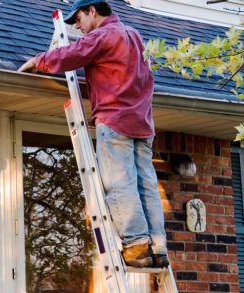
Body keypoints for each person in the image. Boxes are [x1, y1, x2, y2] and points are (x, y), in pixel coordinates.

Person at [18, 0, 169, 268]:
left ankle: (135, 246)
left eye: (78, 18)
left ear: (92, 11)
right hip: (143, 123)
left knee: (120, 183)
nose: (77, 26)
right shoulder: (134, 35)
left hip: (115, 119)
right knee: (146, 185)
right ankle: (157, 246)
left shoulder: (104, 35)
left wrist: (37, 60)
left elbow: (70, 56)